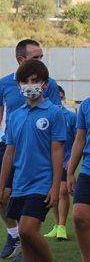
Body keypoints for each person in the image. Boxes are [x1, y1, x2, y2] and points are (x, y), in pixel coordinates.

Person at [0, 59, 69, 262]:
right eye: (24, 81)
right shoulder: (15, 116)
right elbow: (9, 151)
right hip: (20, 185)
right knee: (26, 238)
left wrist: (56, 185)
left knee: (27, 230)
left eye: (35, 80)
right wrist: (3, 185)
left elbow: (57, 150)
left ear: (45, 84)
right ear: (18, 86)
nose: (30, 85)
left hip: (42, 184)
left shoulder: (54, 114)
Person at [0, 39, 61, 260]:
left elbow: (56, 114)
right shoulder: (6, 84)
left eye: (41, 57)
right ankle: (14, 234)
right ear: (21, 59)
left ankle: (28, 238)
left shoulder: (50, 84)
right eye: (35, 57)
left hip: (36, 149)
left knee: (28, 200)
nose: (40, 61)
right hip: (9, 145)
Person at [45, 86, 77, 241]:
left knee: (63, 191)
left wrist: (71, 160)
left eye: (59, 95)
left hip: (65, 161)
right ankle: (57, 225)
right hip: (47, 163)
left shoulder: (71, 117)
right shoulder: (45, 116)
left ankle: (62, 226)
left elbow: (79, 140)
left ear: (63, 96)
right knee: (52, 192)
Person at [67, 98, 90, 262]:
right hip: (88, 170)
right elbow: (80, 139)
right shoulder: (86, 105)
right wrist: (70, 170)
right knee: (79, 217)